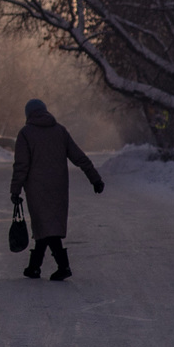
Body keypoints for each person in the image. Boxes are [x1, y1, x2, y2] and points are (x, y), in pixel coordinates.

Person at [10, 98, 103, 280]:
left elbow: (21, 165)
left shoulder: (25, 134)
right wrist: (95, 178)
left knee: (45, 226)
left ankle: (62, 266)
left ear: (28, 114)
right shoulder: (60, 131)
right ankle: (34, 267)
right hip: (59, 188)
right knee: (48, 225)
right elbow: (79, 157)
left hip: (36, 189)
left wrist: (15, 190)